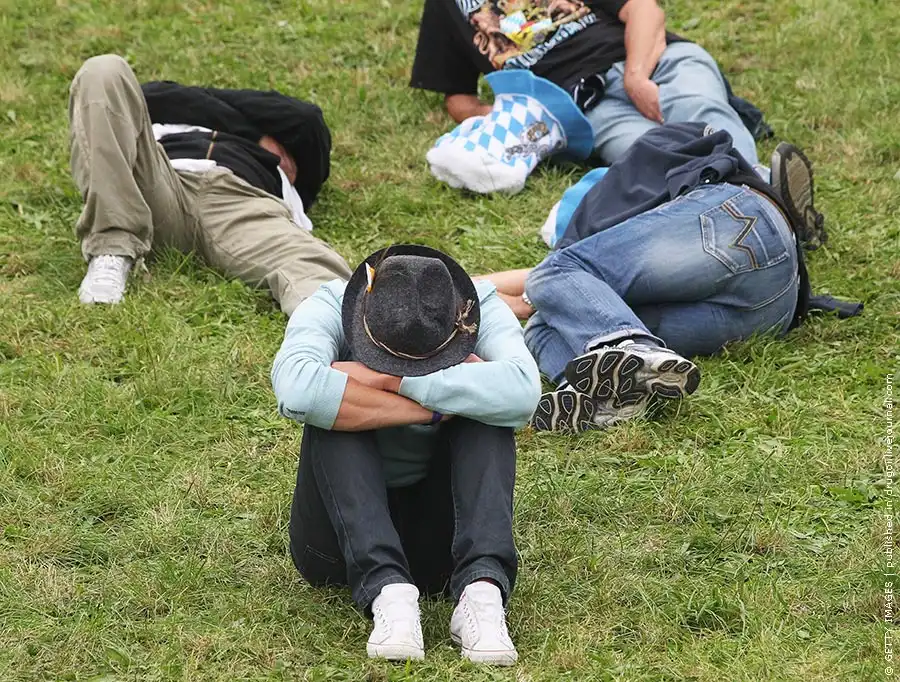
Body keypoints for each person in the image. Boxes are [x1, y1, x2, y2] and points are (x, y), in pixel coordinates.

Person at [478, 125, 858, 432]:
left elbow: (549, 276)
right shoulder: (631, 193)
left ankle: (630, 348)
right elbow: (548, 293)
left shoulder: (605, 205)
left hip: (740, 222)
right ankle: (604, 393)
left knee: (556, 276)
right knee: (544, 326)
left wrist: (473, 287)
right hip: (775, 308)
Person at [271, 245, 541, 664]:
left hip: (443, 549)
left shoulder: (481, 305)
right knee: (335, 414)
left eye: (429, 361)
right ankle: (387, 593)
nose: (404, 368)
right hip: (336, 547)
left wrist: (388, 380)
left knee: (489, 417)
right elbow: (296, 387)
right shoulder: (328, 302)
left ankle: (481, 591)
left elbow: (523, 392)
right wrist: (441, 403)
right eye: (387, 359)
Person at [69, 54, 351, 313]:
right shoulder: (159, 123)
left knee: (316, 272)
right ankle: (111, 249)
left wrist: (200, 106)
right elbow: (145, 94)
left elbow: (305, 119)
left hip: (241, 202)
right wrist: (252, 132)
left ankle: (341, 337)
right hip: (157, 186)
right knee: (102, 70)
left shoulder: (285, 156)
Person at [411, 0, 768, 194]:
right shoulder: (446, 7)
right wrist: (519, 119)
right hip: (584, 108)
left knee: (701, 114)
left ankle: (761, 198)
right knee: (656, 156)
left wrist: (636, 77)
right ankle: (764, 202)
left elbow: (645, 10)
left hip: (652, 62)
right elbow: (459, 99)